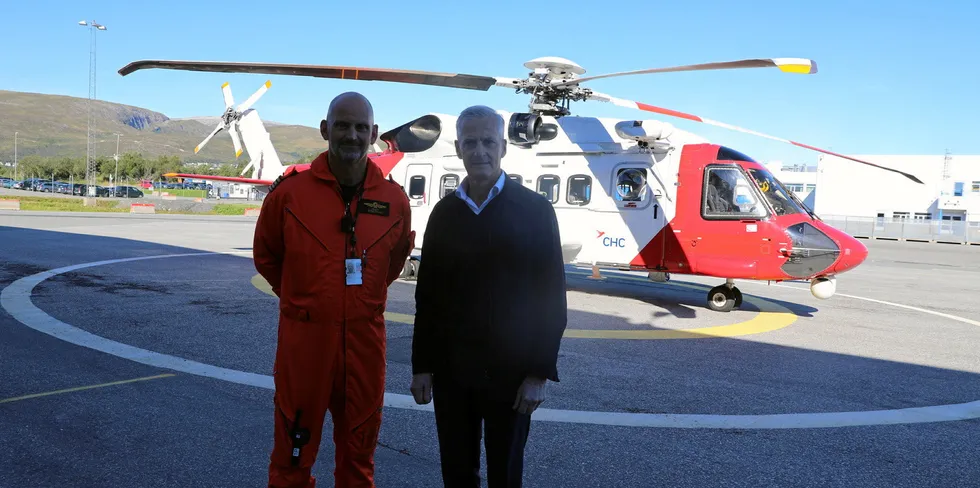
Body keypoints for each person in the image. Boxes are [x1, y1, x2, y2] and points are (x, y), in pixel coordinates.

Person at [253, 91, 415, 488]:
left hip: (364, 344)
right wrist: (306, 300)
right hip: (304, 344)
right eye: (342, 125)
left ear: (374, 134)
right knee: (292, 457)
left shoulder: (394, 201)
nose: (352, 135)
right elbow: (267, 257)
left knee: (359, 460)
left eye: (361, 127)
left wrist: (355, 302)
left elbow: (393, 263)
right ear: (326, 130)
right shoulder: (290, 194)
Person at [409, 105, 568, 487]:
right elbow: (427, 295)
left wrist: (538, 373)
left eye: (488, 142)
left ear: (503, 148)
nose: (479, 150)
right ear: (458, 148)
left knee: (506, 472)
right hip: (452, 373)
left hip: (511, 376)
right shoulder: (444, 214)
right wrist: (421, 366)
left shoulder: (535, 210)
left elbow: (551, 297)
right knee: (457, 472)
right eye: (470, 142)